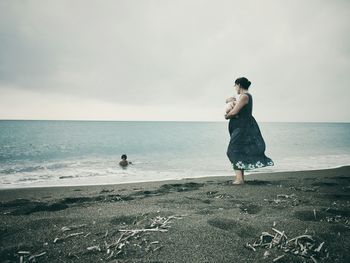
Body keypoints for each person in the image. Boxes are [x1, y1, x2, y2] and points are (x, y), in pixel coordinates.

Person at [225, 77, 274, 185]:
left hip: (242, 128)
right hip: (240, 127)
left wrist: (226, 116)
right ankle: (240, 179)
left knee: (232, 151)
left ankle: (239, 179)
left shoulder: (245, 96)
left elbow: (234, 112)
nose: (235, 88)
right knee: (238, 151)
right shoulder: (242, 97)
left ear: (238, 85)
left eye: (235, 85)